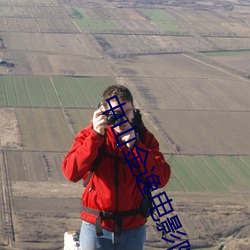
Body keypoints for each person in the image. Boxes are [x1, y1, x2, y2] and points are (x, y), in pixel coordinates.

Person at [62, 85, 171, 250]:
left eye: (127, 112)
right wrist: (96, 136)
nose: (122, 119)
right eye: (116, 113)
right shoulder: (90, 136)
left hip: (132, 228)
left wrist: (136, 146)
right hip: (97, 226)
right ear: (103, 111)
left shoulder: (144, 139)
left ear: (133, 111)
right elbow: (71, 172)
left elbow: (161, 178)